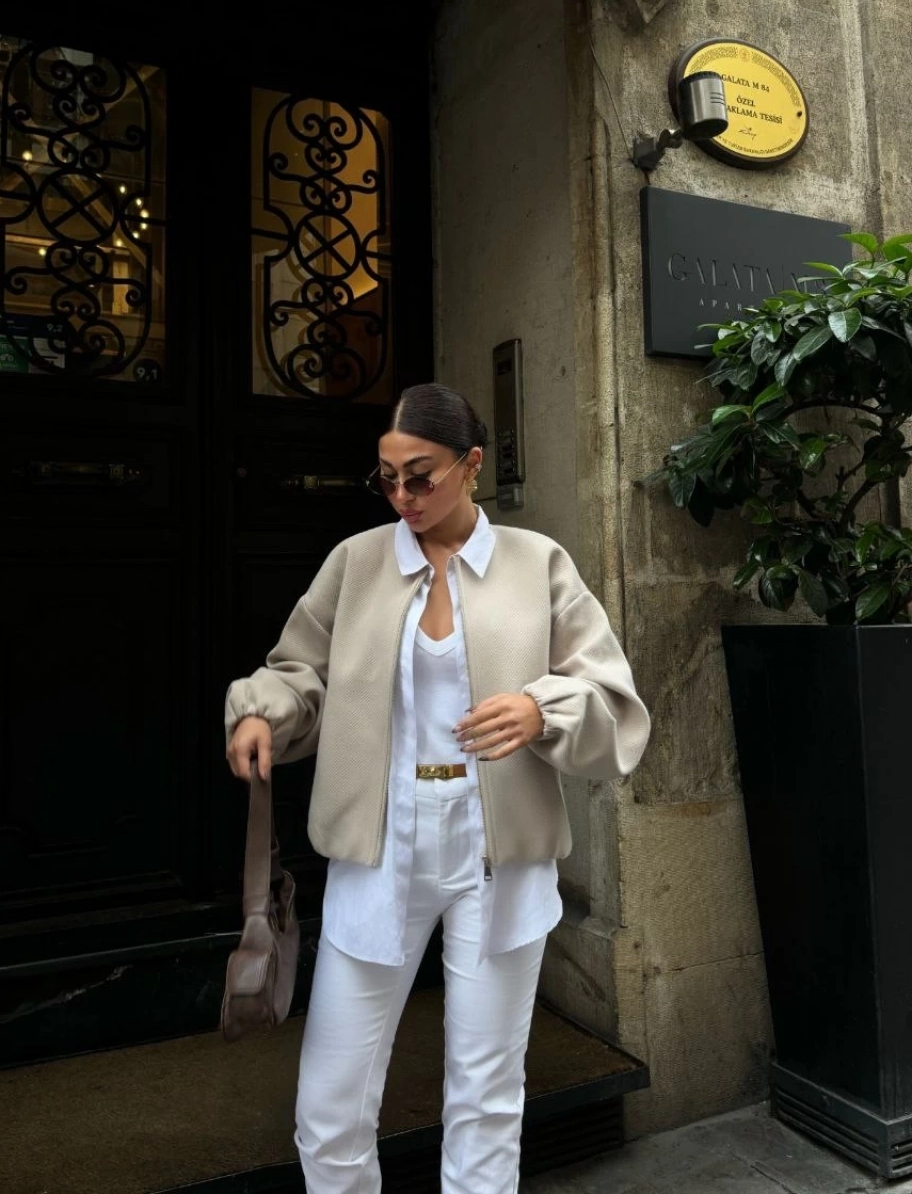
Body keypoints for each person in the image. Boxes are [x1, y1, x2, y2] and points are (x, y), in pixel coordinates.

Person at [225, 382, 650, 1194]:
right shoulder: (356, 562)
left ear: (472, 463)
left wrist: (541, 708)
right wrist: (260, 713)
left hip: (499, 855)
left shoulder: (537, 563)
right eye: (386, 478)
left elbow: (613, 702)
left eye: (420, 476)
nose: (402, 496)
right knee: (329, 1106)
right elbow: (298, 670)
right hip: (380, 844)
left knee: (487, 1100)